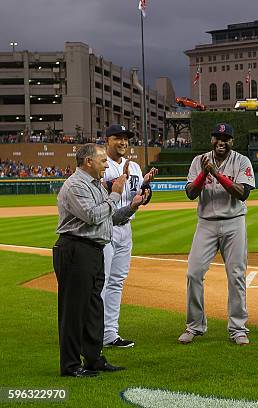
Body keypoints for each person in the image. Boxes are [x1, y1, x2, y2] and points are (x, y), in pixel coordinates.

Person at [54, 144, 149, 377]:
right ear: (88, 162)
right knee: (74, 310)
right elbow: (92, 216)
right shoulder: (76, 185)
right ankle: (70, 365)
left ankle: (93, 359)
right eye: (103, 161)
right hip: (75, 249)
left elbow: (108, 219)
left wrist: (131, 207)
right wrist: (116, 193)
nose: (107, 165)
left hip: (93, 249)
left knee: (94, 308)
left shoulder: (95, 185)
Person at [178, 123, 256, 345]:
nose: (221, 141)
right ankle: (194, 326)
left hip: (234, 223)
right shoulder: (198, 161)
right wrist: (204, 172)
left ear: (232, 141)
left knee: (236, 276)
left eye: (226, 137)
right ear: (211, 139)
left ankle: (238, 328)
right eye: (217, 137)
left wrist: (216, 174)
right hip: (206, 224)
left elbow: (242, 193)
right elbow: (191, 193)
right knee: (193, 273)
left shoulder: (242, 161)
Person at [101, 124, 158, 348]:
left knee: (116, 282)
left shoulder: (134, 166)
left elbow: (138, 196)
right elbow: (94, 192)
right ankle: (94, 332)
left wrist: (146, 189)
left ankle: (110, 334)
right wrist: (113, 183)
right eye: (118, 138)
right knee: (102, 283)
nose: (123, 142)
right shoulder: (101, 164)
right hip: (105, 228)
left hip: (126, 228)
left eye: (126, 138)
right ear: (107, 140)